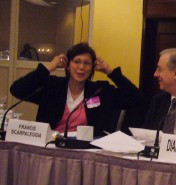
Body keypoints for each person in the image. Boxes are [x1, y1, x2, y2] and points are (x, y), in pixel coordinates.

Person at [10, 42, 143, 137]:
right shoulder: (52, 87)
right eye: (77, 61)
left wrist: (110, 71)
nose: (81, 67)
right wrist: (49, 67)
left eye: (87, 63)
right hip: (50, 149)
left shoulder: (100, 90)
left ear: (92, 68)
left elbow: (136, 98)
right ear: (68, 65)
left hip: (86, 152)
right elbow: (17, 89)